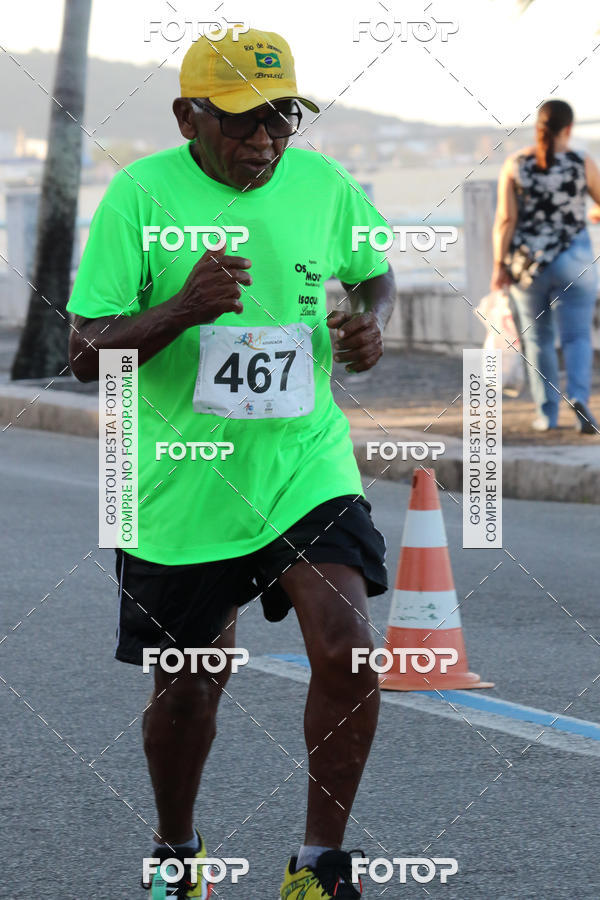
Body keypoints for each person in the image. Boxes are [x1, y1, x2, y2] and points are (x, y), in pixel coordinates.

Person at [67, 27, 396, 899]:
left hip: (303, 463)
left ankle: (319, 866)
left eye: (282, 117)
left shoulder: (323, 184)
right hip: (181, 486)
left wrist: (372, 324)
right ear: (188, 116)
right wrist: (181, 308)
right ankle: (177, 852)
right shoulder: (139, 197)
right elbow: (83, 349)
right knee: (188, 692)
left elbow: (374, 270)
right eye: (242, 120)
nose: (264, 139)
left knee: (351, 650)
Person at [491, 99, 600, 434]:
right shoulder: (581, 161)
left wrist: (499, 265)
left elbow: (506, 219)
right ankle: (579, 398)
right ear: (569, 128)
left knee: (538, 339)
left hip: (529, 266)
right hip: (575, 262)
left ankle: (546, 414)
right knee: (578, 336)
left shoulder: (515, 163)